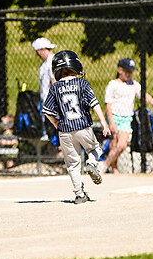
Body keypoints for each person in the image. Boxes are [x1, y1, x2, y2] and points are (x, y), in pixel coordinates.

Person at [42, 50, 111, 204]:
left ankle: (79, 194)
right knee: (95, 149)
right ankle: (91, 164)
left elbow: (46, 110)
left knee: (72, 163)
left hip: (65, 130)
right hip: (82, 126)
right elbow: (94, 103)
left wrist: (55, 123)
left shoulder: (55, 87)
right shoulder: (82, 83)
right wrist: (104, 122)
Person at [100, 58, 153, 174]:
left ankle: (103, 165)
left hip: (126, 118)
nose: (129, 74)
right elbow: (108, 105)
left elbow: (145, 96)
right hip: (114, 116)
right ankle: (114, 169)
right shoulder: (112, 84)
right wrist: (111, 122)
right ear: (119, 70)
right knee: (113, 145)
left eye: (131, 72)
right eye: (126, 71)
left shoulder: (133, 85)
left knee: (122, 144)